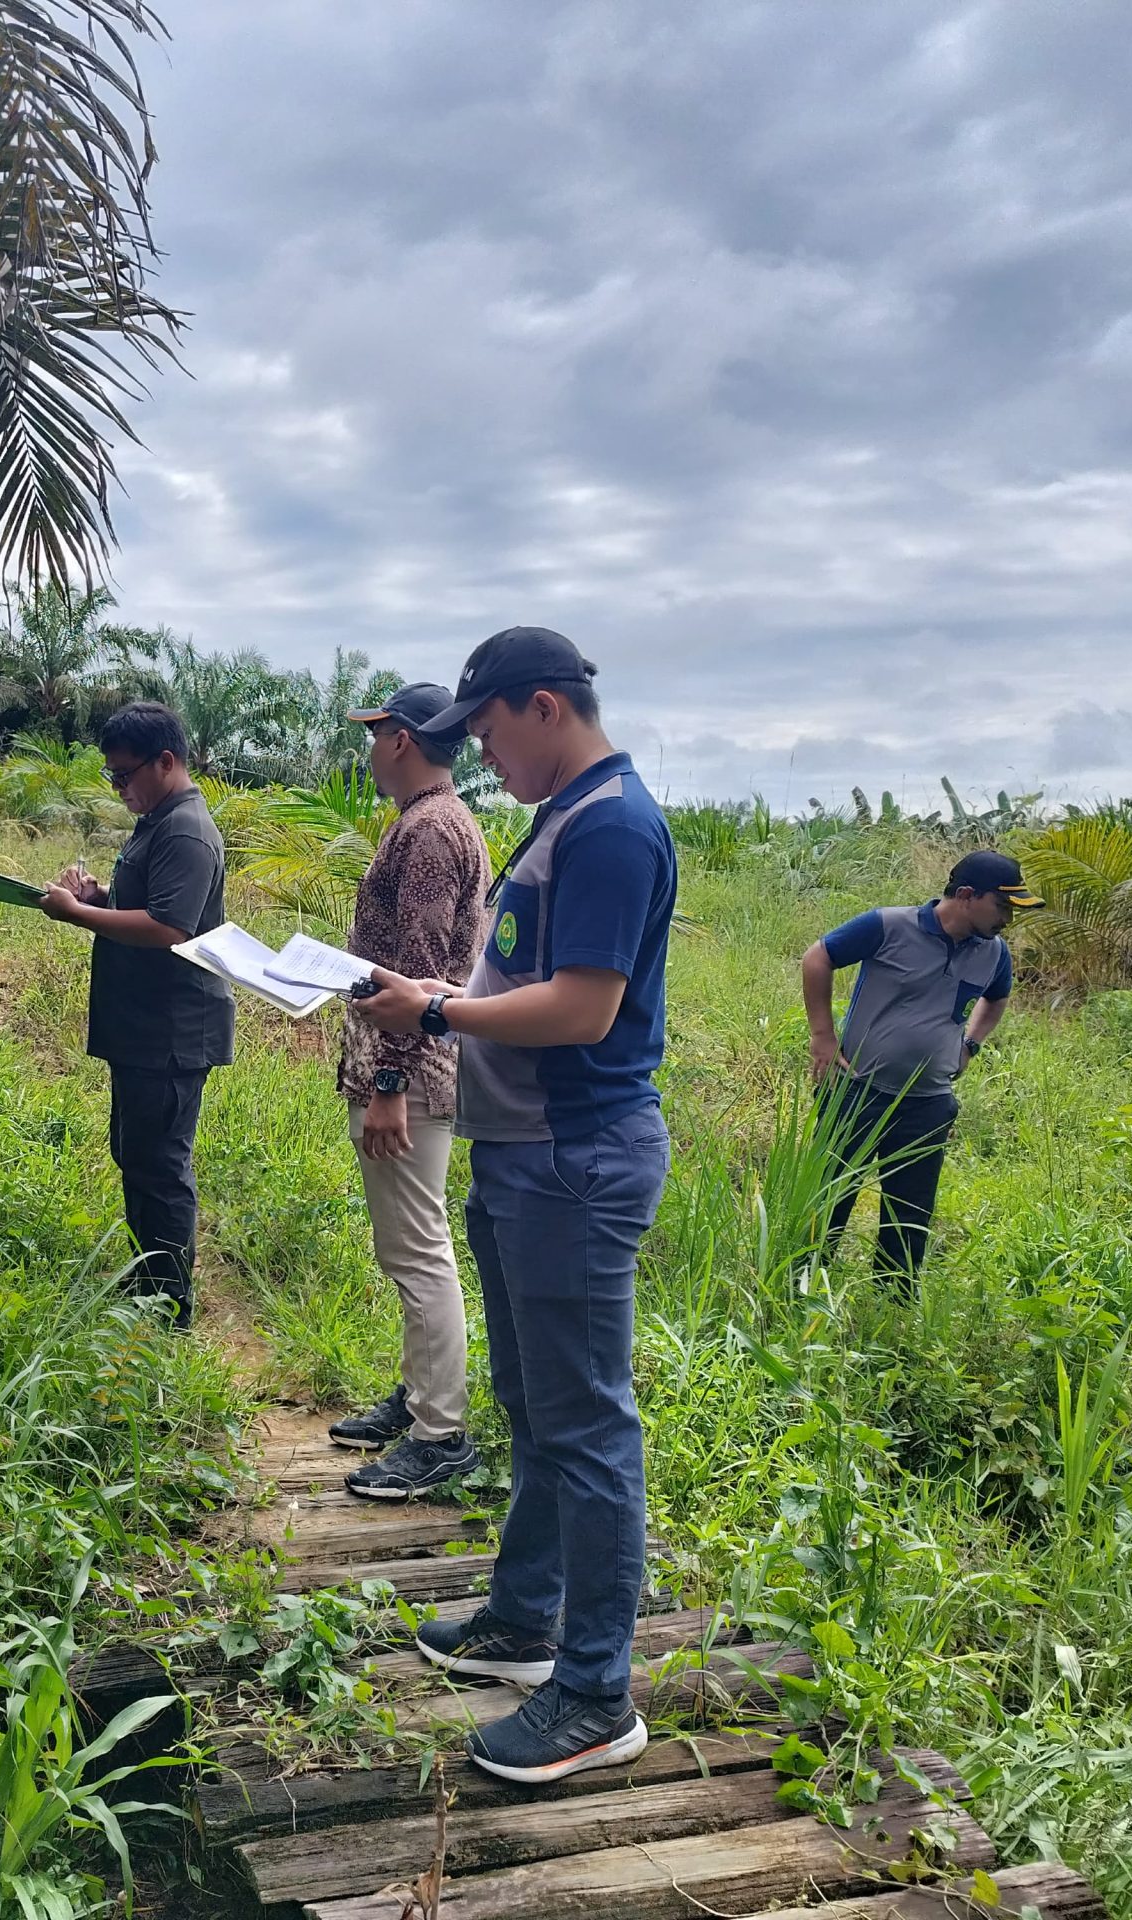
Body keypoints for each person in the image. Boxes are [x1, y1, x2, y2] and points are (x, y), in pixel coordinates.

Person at [356, 626, 677, 1787]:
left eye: (488, 733)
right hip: (525, 1153)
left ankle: (594, 1694)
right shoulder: (563, 819)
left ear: (544, 706)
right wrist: (441, 993)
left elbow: (583, 1010)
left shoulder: (612, 827)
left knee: (586, 1424)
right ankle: (523, 1623)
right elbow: (519, 983)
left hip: (574, 1162)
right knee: (534, 1407)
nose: (484, 756)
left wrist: (433, 1016)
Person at [324, 684, 491, 1501]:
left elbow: (419, 970)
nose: (369, 748)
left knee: (416, 1249)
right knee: (410, 1246)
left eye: (375, 733)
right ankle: (423, 1396)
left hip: (409, 1076)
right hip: (412, 1067)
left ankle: (441, 1434)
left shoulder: (428, 832)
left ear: (400, 739)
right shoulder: (437, 822)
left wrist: (388, 1081)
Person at [39, 701, 233, 1328]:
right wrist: (100, 896)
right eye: (112, 777)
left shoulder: (184, 829)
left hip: (173, 1031)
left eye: (124, 775)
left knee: (161, 1164)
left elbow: (168, 926)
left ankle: (170, 1305)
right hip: (143, 1027)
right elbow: (143, 902)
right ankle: (148, 1277)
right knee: (136, 1154)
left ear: (166, 762)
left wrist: (77, 913)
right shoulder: (159, 819)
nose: (119, 788)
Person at [798, 849, 1039, 1290]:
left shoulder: (994, 952)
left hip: (927, 1104)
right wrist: (823, 1037)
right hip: (856, 1092)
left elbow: (997, 997)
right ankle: (800, 1288)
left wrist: (971, 1044)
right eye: (1002, 906)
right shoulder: (888, 926)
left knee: (910, 1214)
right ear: (967, 895)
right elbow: (818, 957)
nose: (1008, 918)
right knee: (827, 1197)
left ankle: (892, 1307)